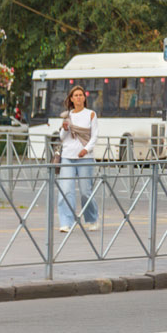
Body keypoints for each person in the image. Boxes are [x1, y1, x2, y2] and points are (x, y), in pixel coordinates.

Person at [56, 85, 99, 233]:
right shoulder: (67, 115)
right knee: (66, 190)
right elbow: (61, 137)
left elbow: (94, 136)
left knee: (85, 191)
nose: (79, 97)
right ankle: (66, 222)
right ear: (71, 99)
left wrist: (85, 150)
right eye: (76, 95)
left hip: (85, 158)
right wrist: (65, 128)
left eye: (81, 95)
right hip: (67, 156)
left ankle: (92, 219)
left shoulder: (91, 114)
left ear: (84, 98)